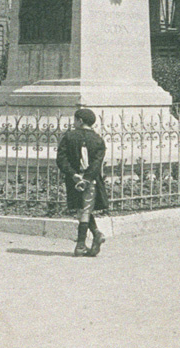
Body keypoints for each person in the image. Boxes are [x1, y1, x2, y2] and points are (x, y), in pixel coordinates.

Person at [56, 107, 109, 257]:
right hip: (90, 180)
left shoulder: (69, 137)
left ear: (80, 121)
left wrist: (73, 175)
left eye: (75, 120)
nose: (74, 123)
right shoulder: (98, 140)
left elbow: (61, 159)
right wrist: (87, 179)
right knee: (84, 209)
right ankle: (96, 234)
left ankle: (80, 245)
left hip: (74, 179)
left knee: (82, 209)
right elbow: (97, 164)